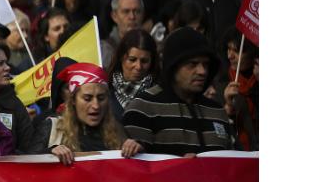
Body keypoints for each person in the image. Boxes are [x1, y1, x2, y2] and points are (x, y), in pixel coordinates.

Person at [122, 27, 235, 156]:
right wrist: (180, 166)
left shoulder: (217, 112)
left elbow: (231, 164)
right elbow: (135, 169)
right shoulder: (142, 109)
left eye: (206, 64)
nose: (202, 71)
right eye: (192, 64)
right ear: (173, 67)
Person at [32, 63, 143, 164]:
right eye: (87, 98)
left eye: (101, 98)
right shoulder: (53, 128)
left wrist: (136, 150)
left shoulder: (118, 131)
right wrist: (49, 153)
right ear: (73, 100)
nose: (96, 105)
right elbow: (24, 165)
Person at [216, 27, 258, 151]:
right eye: (228, 49)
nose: (230, 56)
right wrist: (228, 106)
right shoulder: (222, 83)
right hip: (241, 154)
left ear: (252, 53)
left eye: (237, 51)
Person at [105, 29, 159, 123]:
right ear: (121, 58)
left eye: (144, 61)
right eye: (132, 60)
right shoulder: (105, 91)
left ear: (152, 62)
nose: (138, 67)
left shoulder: (159, 95)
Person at [101, 0, 144, 69]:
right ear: (114, 16)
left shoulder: (152, 46)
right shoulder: (105, 50)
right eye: (126, 11)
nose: (132, 17)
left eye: (137, 11)